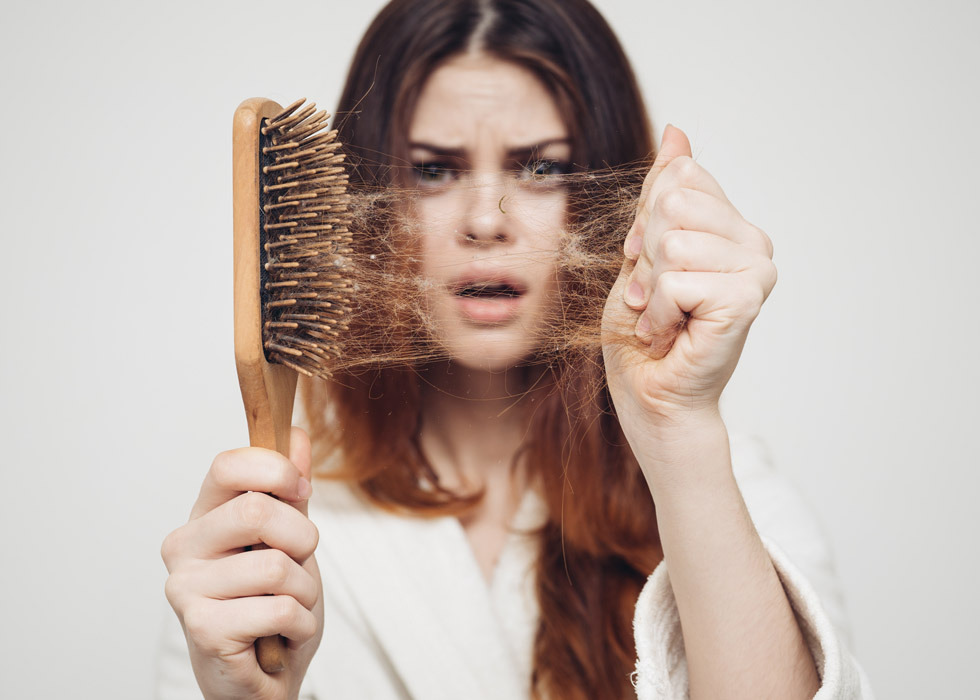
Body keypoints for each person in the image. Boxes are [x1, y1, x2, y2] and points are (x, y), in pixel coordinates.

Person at [158, 1, 873, 698]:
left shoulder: (723, 491)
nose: (483, 221)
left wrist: (678, 432)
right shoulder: (265, 549)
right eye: (435, 170)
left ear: (611, 206)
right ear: (363, 200)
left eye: (539, 168)